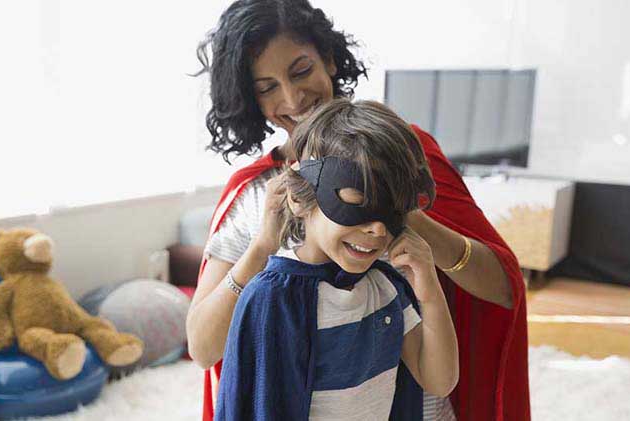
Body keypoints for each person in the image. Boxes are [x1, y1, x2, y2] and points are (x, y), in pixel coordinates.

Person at [187, 1, 530, 420]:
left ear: (328, 60)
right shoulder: (256, 195)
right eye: (267, 87)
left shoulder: (403, 155)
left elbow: (502, 289)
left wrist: (401, 208)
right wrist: (260, 249)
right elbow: (204, 349)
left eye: (300, 71)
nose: (293, 98)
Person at [215, 99, 458, 421]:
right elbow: (254, 405)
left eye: (393, 211)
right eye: (358, 203)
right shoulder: (272, 298)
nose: (377, 228)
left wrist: (430, 292)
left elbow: (439, 381)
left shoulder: (384, 286)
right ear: (300, 198)